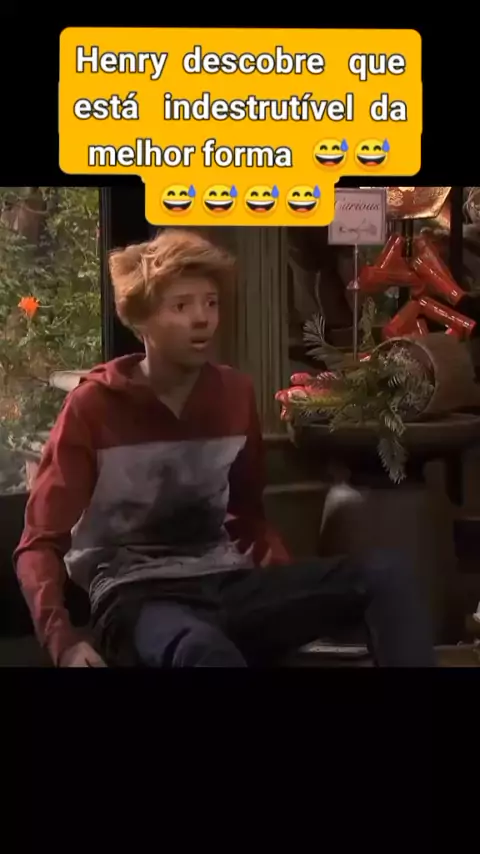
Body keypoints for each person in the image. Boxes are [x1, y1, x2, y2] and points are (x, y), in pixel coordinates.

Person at [14, 228, 435, 668]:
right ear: (141, 320)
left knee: (387, 575)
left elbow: (247, 519)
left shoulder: (234, 394)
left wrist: (284, 590)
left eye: (211, 303)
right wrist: (63, 641)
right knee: (203, 650)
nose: (202, 318)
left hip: (227, 583)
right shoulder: (93, 407)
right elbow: (38, 542)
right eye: (181, 306)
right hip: (136, 598)